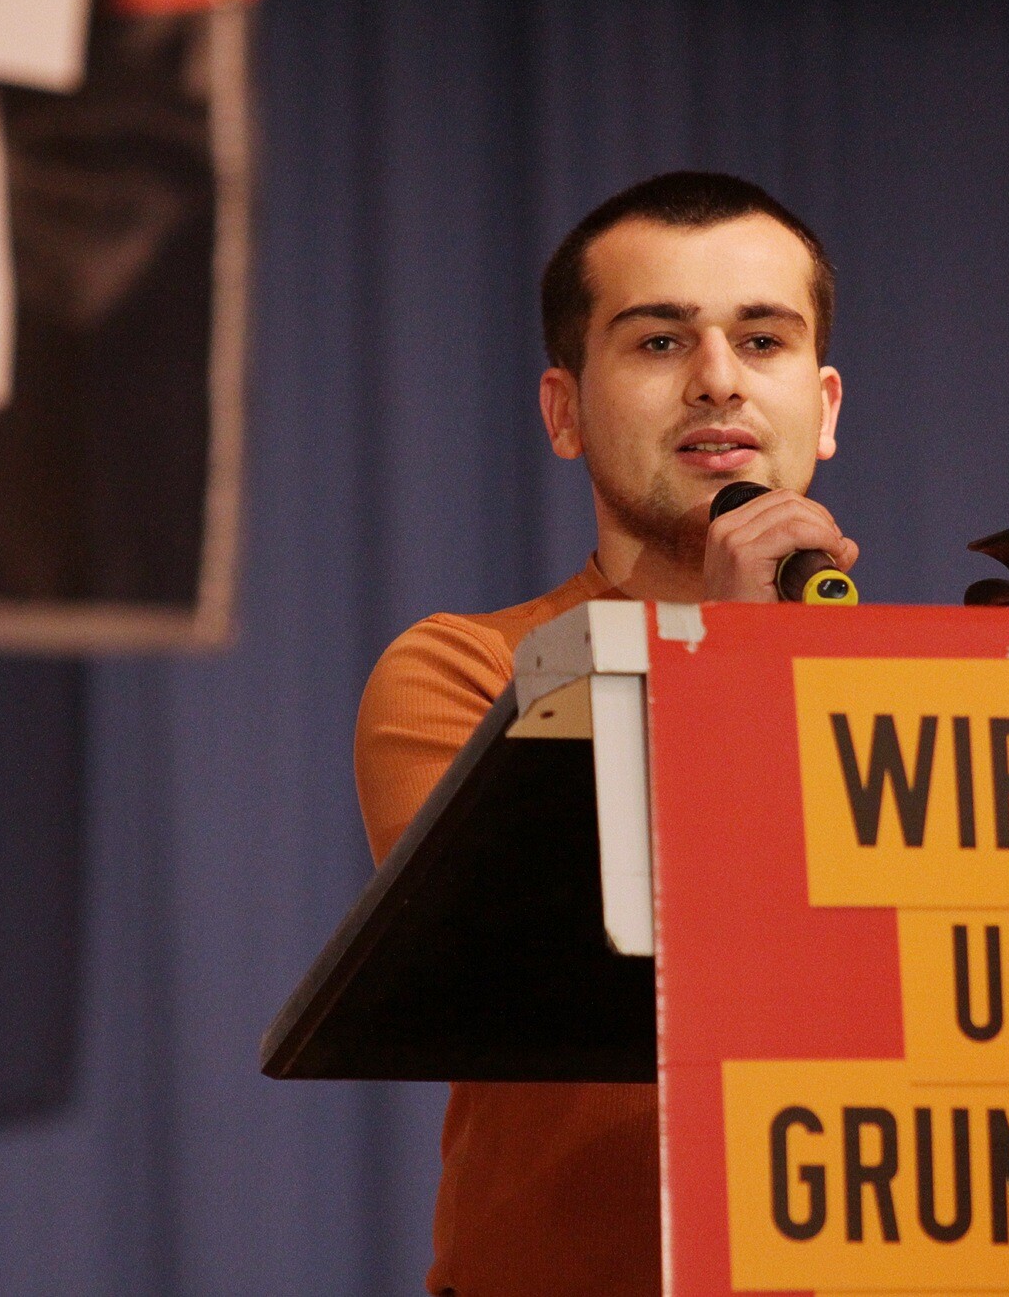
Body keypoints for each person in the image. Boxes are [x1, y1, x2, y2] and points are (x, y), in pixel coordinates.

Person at [353, 171, 859, 1296]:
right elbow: (533, 969)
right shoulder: (470, 672)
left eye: (762, 340)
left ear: (824, 408)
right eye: (659, 342)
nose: (718, 380)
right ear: (564, 412)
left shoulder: (935, 702)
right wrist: (729, 660)